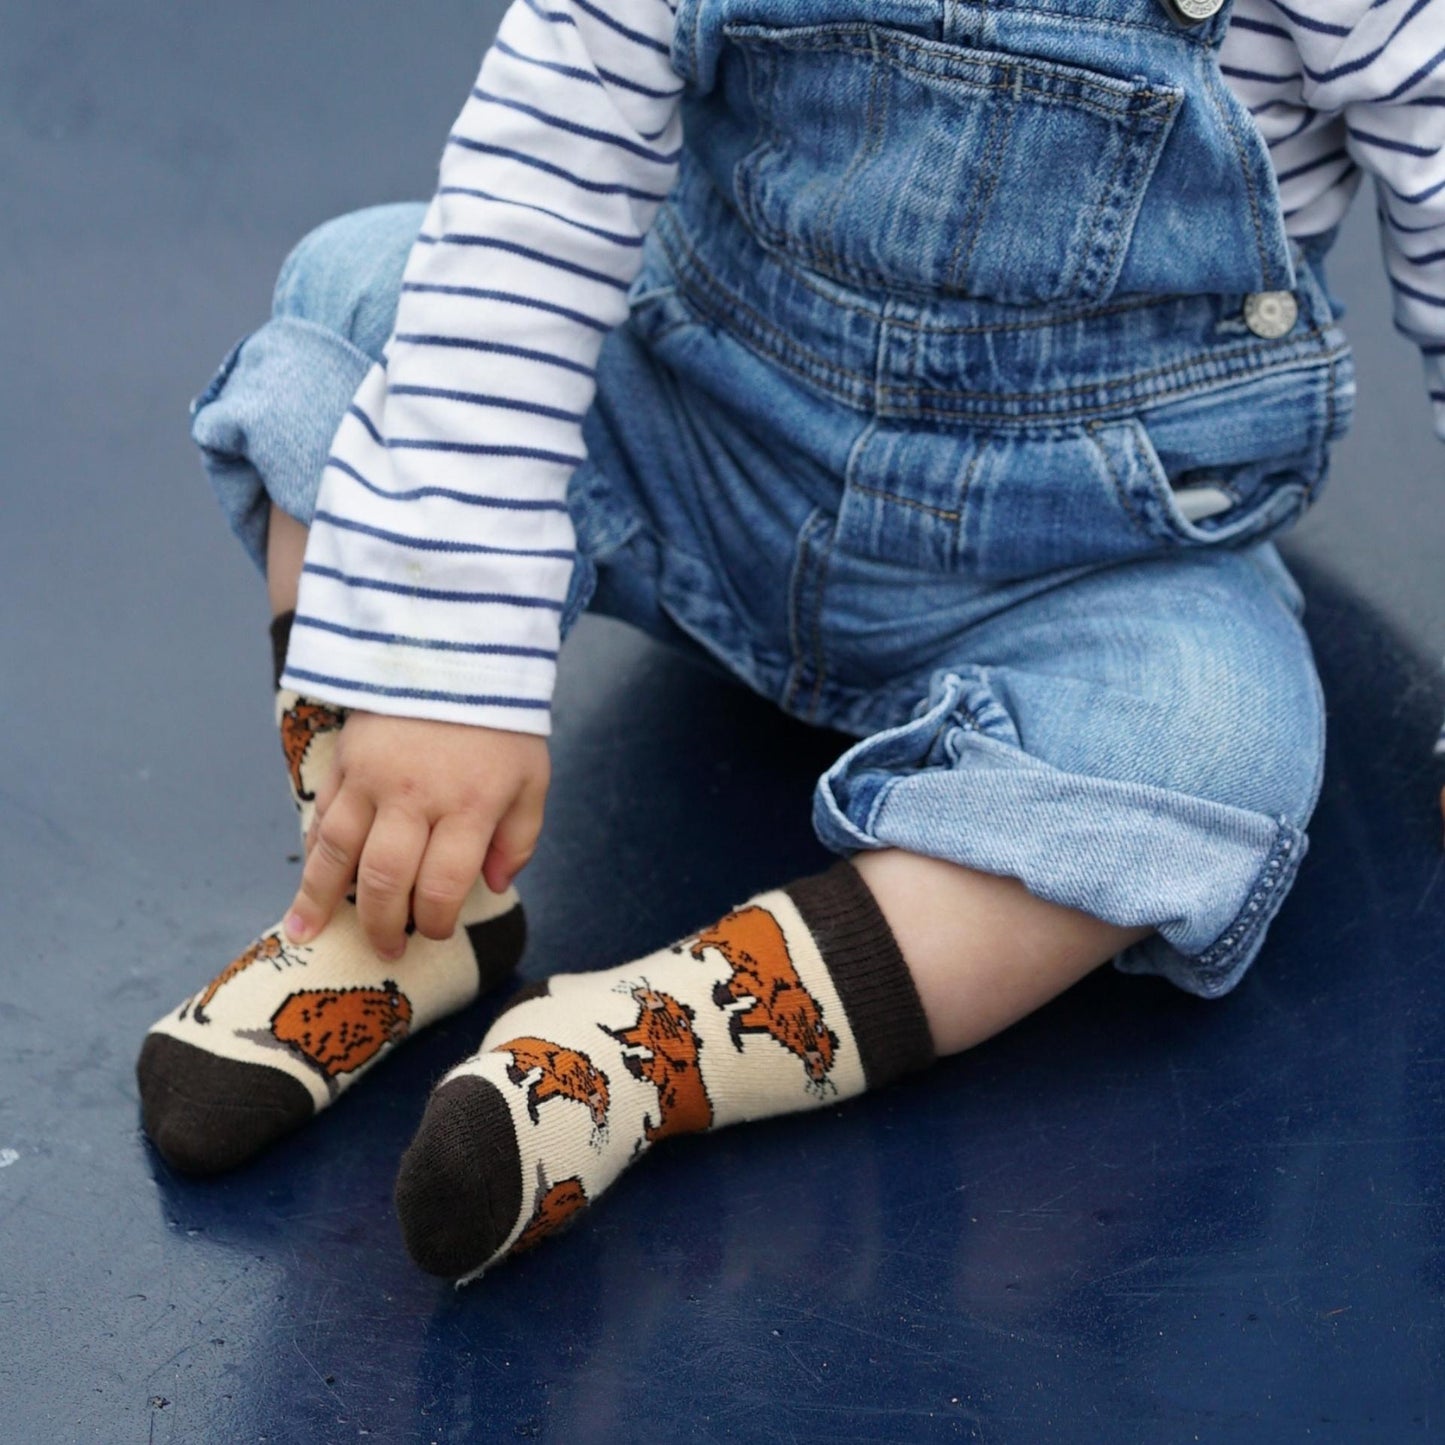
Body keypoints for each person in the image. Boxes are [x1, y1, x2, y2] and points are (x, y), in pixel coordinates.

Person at [135, 0, 1445, 1281]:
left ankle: (638, 1049)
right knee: (358, 301)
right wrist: (440, 652)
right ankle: (402, 910)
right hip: (701, 435)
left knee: (1216, 740)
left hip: (1075, 559)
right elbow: (535, 193)